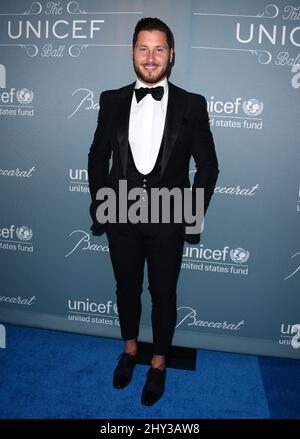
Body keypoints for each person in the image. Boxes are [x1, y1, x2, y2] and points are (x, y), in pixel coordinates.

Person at [88, 17, 219, 406]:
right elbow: (97, 157)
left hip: (168, 218)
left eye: (158, 49)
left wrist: (191, 218)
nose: (150, 57)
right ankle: (130, 352)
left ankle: (158, 363)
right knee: (125, 288)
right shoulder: (111, 100)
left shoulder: (192, 104)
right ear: (132, 52)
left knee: (163, 293)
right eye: (143, 48)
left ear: (171, 55)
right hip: (121, 213)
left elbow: (208, 167)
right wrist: (101, 207)